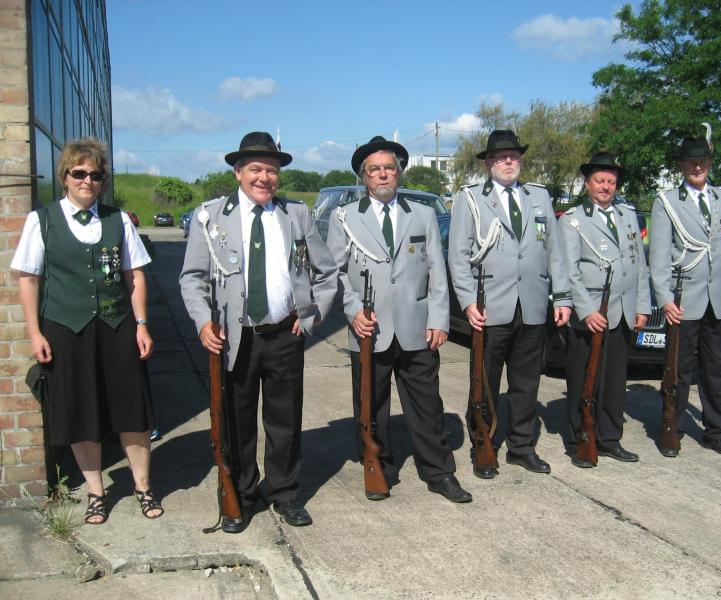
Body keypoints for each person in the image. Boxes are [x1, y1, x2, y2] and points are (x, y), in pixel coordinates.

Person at [180, 132, 338, 531]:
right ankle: (243, 495)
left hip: (286, 334)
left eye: (271, 170)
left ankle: (285, 493)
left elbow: (326, 271)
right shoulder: (210, 216)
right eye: (256, 169)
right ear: (238, 172)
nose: (265, 178)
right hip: (236, 339)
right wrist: (203, 322)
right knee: (237, 422)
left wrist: (313, 314)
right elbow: (192, 277)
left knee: (285, 421)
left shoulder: (296, 214)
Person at [12, 137, 162, 524]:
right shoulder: (41, 220)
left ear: (103, 181)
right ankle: (96, 492)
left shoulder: (118, 220)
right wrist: (34, 333)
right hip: (66, 328)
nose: (87, 181)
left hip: (117, 324)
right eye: (79, 173)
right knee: (81, 410)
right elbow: (29, 279)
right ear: (65, 176)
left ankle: (143, 486)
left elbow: (134, 276)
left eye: (95, 175)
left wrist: (141, 324)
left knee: (132, 408)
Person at [326, 136, 471, 503]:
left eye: (389, 167)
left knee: (427, 406)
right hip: (369, 329)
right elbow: (334, 273)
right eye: (374, 169)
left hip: (417, 328)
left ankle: (439, 473)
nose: (383, 174)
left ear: (399, 172)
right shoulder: (345, 218)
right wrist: (353, 311)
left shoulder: (422, 214)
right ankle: (379, 468)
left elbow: (437, 272)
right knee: (371, 406)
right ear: (364, 176)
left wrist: (439, 319)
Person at [448, 130, 571, 478]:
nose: (508, 161)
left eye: (513, 156)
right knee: (484, 382)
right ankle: (483, 445)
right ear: (488, 162)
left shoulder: (538, 196)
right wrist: (468, 301)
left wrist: (562, 296)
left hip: (532, 304)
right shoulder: (472, 199)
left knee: (526, 383)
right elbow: (458, 256)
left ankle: (522, 447)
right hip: (490, 307)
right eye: (501, 157)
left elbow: (555, 252)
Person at [649, 132, 721, 458]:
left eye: (703, 161)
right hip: (683, 299)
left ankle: (715, 432)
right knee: (678, 370)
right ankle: (672, 429)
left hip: (716, 298)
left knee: (714, 369)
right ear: (682, 165)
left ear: (709, 163)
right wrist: (664, 298)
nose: (698, 167)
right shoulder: (668, 201)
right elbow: (659, 257)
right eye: (692, 162)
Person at [559, 153, 650, 468]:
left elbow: (639, 265)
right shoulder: (572, 219)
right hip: (592, 314)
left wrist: (642, 305)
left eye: (611, 181)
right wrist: (586, 310)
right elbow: (569, 271)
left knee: (614, 382)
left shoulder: (627, 216)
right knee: (583, 380)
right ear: (587, 183)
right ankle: (578, 440)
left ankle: (610, 439)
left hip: (622, 311)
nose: (606, 187)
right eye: (600, 180)